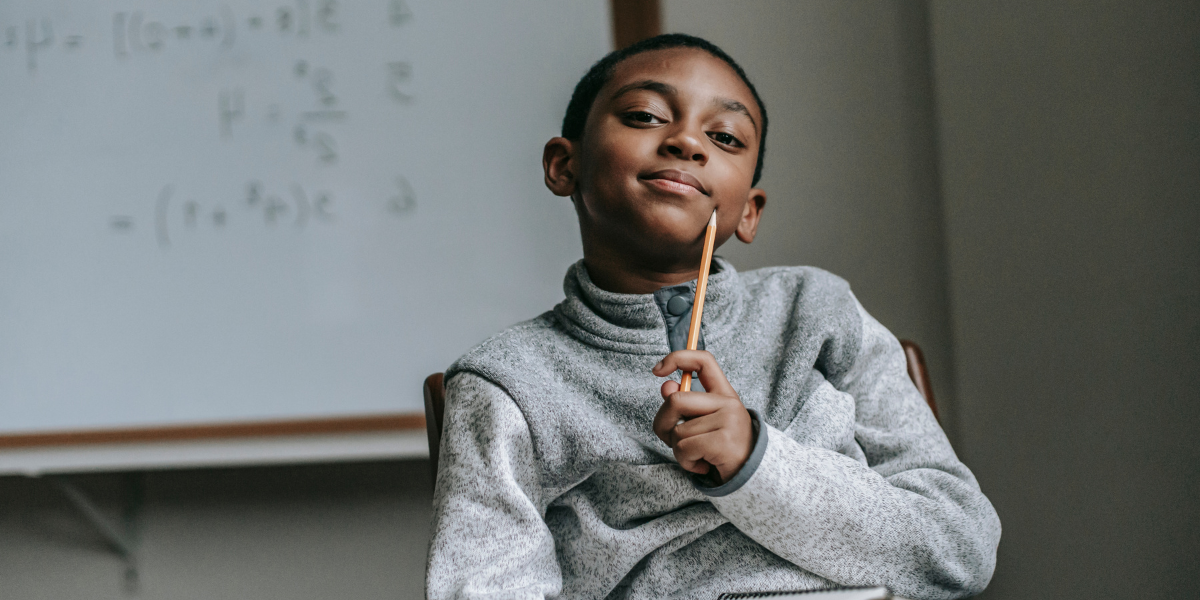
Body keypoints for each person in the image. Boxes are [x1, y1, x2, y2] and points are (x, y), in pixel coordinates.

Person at [426, 34, 1000, 600]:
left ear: (749, 211)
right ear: (562, 166)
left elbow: (961, 547)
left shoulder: (819, 311)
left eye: (723, 136)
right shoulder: (505, 382)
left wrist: (756, 461)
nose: (686, 142)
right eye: (645, 116)